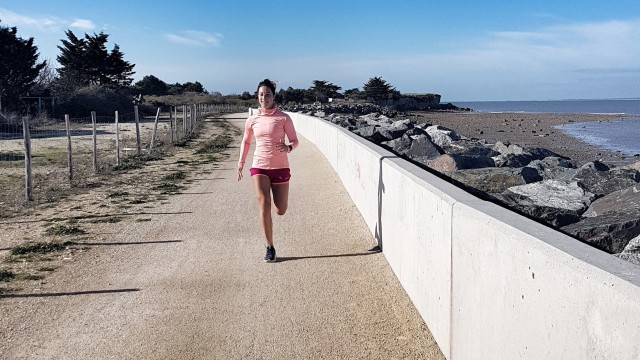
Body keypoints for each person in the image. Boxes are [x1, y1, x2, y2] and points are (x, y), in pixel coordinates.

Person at [237, 79, 299, 262]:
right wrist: (241, 162)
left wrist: (288, 148)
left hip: (280, 166)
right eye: (261, 94)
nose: (264, 97)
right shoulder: (253, 119)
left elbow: (295, 141)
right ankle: (269, 247)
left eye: (268, 94)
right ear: (257, 97)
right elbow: (246, 141)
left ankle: (274, 208)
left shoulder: (284, 118)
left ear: (274, 96)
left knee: (280, 209)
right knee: (263, 202)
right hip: (259, 166)